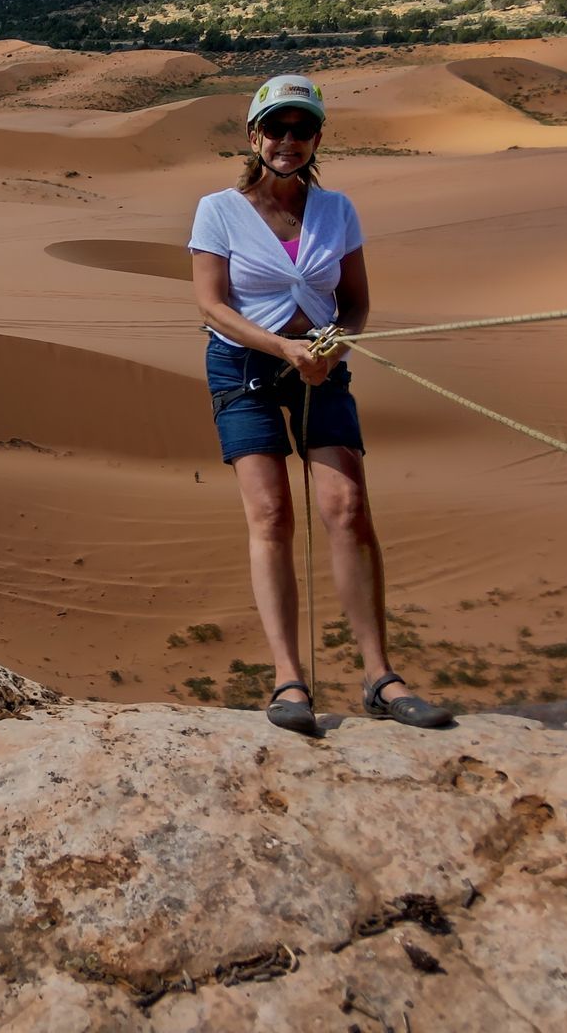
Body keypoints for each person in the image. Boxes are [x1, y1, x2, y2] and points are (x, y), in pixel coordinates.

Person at [187, 74, 450, 736]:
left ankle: (380, 676)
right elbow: (212, 304)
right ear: (254, 136)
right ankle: (288, 679)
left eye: (302, 129)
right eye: (276, 128)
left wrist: (338, 346)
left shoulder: (337, 211)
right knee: (271, 513)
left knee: (346, 506)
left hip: (322, 365)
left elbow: (356, 303)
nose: (288, 140)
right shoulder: (217, 209)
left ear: (317, 139)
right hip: (247, 365)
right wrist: (281, 348)